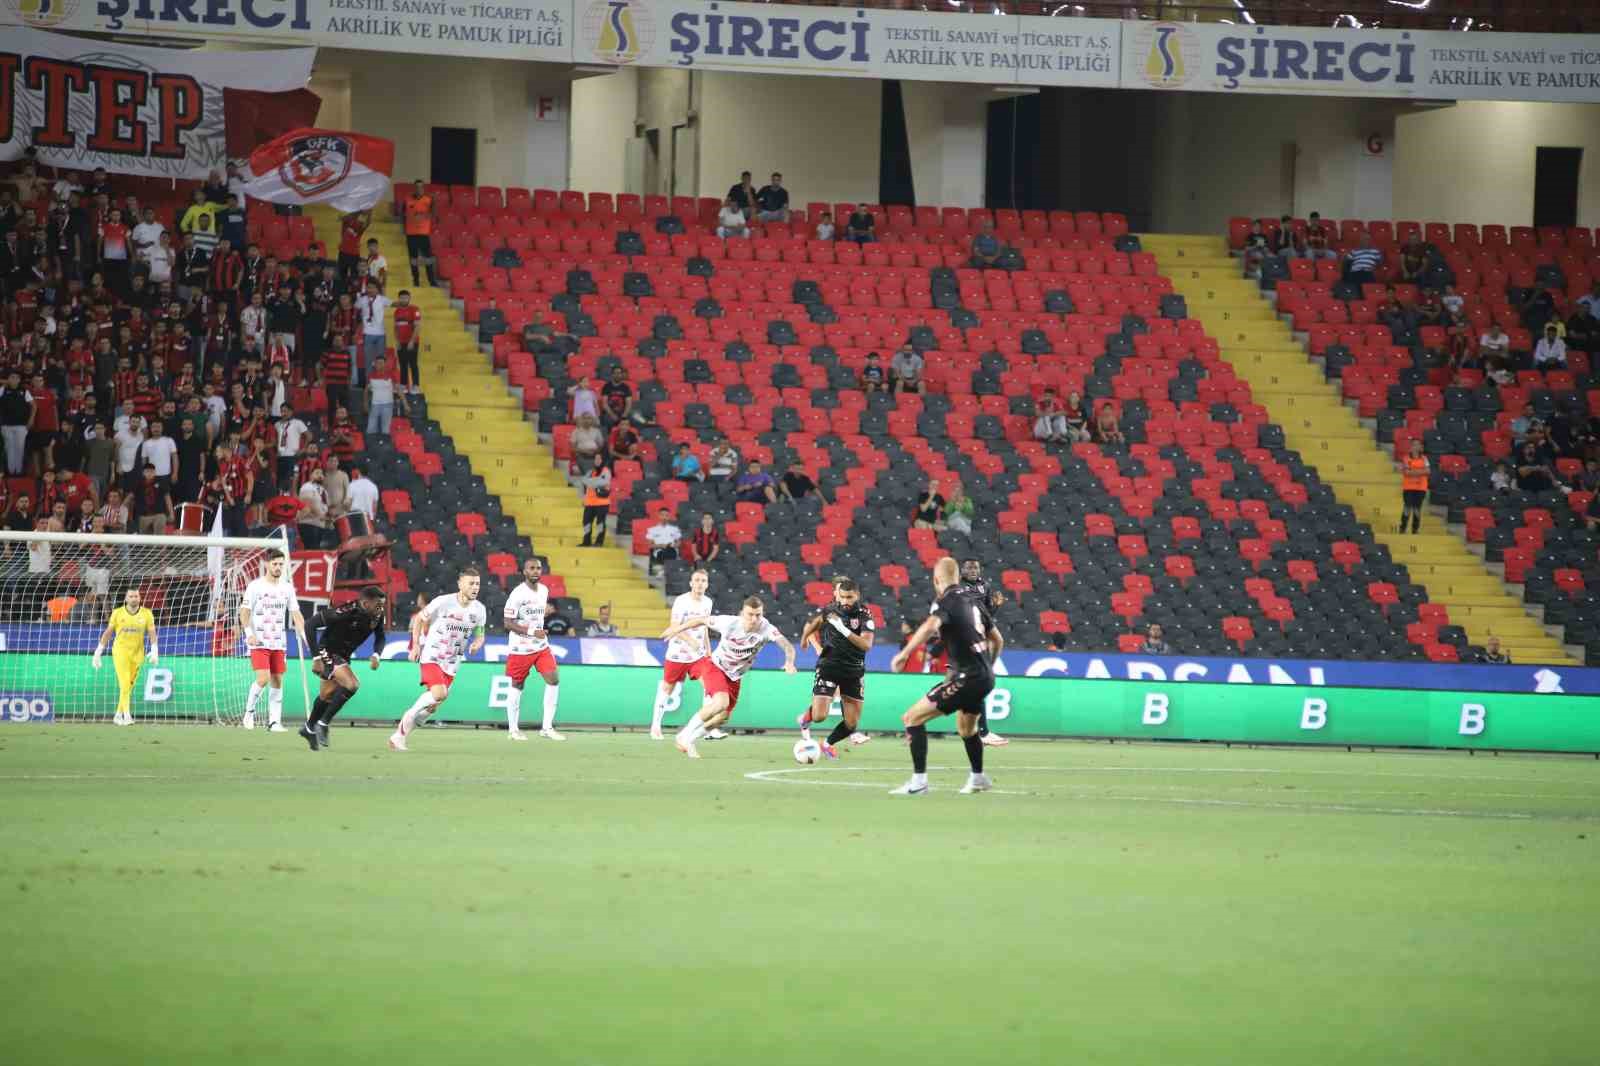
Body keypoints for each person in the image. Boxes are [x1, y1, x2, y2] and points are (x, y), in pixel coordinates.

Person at [888, 557, 1004, 795]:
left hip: (967, 677)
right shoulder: (974, 600)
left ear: (936, 580)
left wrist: (904, 654)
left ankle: (919, 784)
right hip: (985, 677)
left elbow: (931, 626)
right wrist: (986, 667)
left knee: (912, 718)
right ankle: (978, 777)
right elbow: (997, 640)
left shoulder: (947, 601)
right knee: (966, 729)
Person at [662, 596, 797, 759]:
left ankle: (690, 739)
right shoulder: (728, 622)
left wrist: (789, 662)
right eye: (750, 614)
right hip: (715, 666)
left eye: (758, 615)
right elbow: (700, 620)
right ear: (742, 613)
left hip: (735, 676)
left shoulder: (767, 628)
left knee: (722, 718)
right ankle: (683, 735)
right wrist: (677, 629)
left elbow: (787, 646)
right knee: (721, 702)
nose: (754, 619)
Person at [389, 567, 487, 751]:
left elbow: (480, 633)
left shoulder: (480, 610)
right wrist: (416, 645)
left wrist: (477, 643)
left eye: (478, 584)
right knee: (440, 694)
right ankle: (408, 717)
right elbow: (419, 619)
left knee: (431, 708)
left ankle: (399, 737)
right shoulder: (443, 602)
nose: (475, 587)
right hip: (432, 656)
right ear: (460, 584)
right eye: (471, 583)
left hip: (452, 663)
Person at [298, 587, 387, 750]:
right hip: (328, 651)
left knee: (327, 695)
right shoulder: (345, 611)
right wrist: (316, 658)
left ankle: (309, 728)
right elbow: (310, 624)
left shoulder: (378, 616)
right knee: (352, 684)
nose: (381, 609)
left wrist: (376, 654)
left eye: (383, 605)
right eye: (378, 605)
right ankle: (323, 723)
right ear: (366, 603)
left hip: (343, 655)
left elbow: (380, 636)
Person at [796, 576, 874, 758]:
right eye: (843, 597)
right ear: (837, 595)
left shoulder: (865, 615)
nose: (845, 602)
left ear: (857, 595)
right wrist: (804, 637)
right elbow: (816, 622)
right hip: (829, 666)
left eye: (850, 597)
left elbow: (866, 645)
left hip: (854, 671)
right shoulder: (831, 609)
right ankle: (807, 716)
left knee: (851, 723)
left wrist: (843, 629)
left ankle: (827, 743)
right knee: (819, 716)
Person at [239, 553, 307, 732]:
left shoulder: (287, 588)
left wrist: (306, 636)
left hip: (279, 642)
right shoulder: (255, 586)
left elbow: (296, 614)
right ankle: (249, 712)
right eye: (275, 563)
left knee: (277, 679)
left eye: (281, 564)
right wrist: (248, 633)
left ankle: (274, 721)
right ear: (267, 564)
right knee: (263, 678)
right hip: (258, 640)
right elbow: (244, 611)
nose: (278, 567)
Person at [503, 557, 564, 742]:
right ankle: (513, 730)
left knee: (553, 679)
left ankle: (547, 727)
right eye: (532, 568)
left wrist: (539, 626)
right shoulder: (517, 594)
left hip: (540, 646)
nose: (536, 571)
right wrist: (531, 631)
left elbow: (536, 614)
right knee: (517, 686)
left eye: (538, 568)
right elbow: (507, 623)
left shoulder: (544, 590)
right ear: (524, 572)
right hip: (520, 648)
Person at [651, 568, 712, 740]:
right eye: (697, 580)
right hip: (678, 653)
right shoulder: (681, 601)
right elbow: (674, 627)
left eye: (703, 581)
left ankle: (706, 729)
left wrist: (708, 651)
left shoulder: (708, 602)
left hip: (697, 656)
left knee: (709, 686)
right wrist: (691, 641)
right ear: (691, 583)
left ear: (707, 585)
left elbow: (705, 627)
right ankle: (655, 726)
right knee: (667, 688)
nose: (700, 583)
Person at [92, 588, 158, 727]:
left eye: (136, 596)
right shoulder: (117, 613)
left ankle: (117, 715)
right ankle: (127, 716)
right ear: (126, 599)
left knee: (129, 686)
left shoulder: (147, 614)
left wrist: (154, 650)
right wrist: (98, 652)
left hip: (138, 654)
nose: (134, 598)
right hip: (120, 652)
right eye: (131, 596)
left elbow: (152, 632)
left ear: (140, 598)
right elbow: (108, 632)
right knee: (125, 682)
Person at [403, 180, 436, 287]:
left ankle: (431, 281)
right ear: (414, 188)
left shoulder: (429, 200)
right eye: (417, 187)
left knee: (428, 258)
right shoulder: (407, 199)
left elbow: (433, 214)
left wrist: (434, 203)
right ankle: (416, 281)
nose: (419, 189)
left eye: (421, 187)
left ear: (423, 188)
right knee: (413, 259)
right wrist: (405, 228)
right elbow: (402, 214)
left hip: (423, 234)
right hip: (411, 234)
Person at [392, 288, 422, 394]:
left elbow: (417, 326)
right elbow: (395, 327)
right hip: (401, 342)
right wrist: (397, 341)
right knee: (402, 363)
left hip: (411, 342)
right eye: (401, 298)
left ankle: (416, 386)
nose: (403, 299)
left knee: (413, 363)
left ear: (409, 298)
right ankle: (403, 385)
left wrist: (412, 341)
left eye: (405, 297)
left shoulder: (415, 309)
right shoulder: (397, 311)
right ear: (399, 299)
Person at [579, 453, 612, 546]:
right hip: (589, 503)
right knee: (586, 523)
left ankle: (599, 542)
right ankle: (586, 541)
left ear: (603, 460)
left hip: (602, 503)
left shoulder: (606, 471)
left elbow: (604, 482)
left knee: (600, 523)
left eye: (599, 459)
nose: (597, 461)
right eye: (596, 459)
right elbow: (582, 481)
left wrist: (590, 482)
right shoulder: (591, 471)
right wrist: (594, 482)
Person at [1400, 439, 1429, 534]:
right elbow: (1407, 472)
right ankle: (1402, 528)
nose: (1416, 447)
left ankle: (1415, 529)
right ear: (1411, 446)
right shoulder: (1406, 458)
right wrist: (1421, 471)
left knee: (1417, 509)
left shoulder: (1424, 458)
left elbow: (1428, 471)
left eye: (1418, 445)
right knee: (1407, 507)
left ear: (1420, 447)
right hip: (1408, 487)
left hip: (1421, 488)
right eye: (1414, 445)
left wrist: (1413, 471)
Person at [646, 507, 682, 573]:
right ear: (659, 516)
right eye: (662, 515)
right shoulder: (652, 530)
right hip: (659, 551)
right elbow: (650, 545)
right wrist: (661, 545)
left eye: (666, 515)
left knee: (669, 551)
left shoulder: (674, 529)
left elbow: (679, 543)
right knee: (665, 553)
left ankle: (664, 570)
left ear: (669, 517)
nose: (664, 517)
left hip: (672, 550)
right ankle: (667, 570)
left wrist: (674, 545)